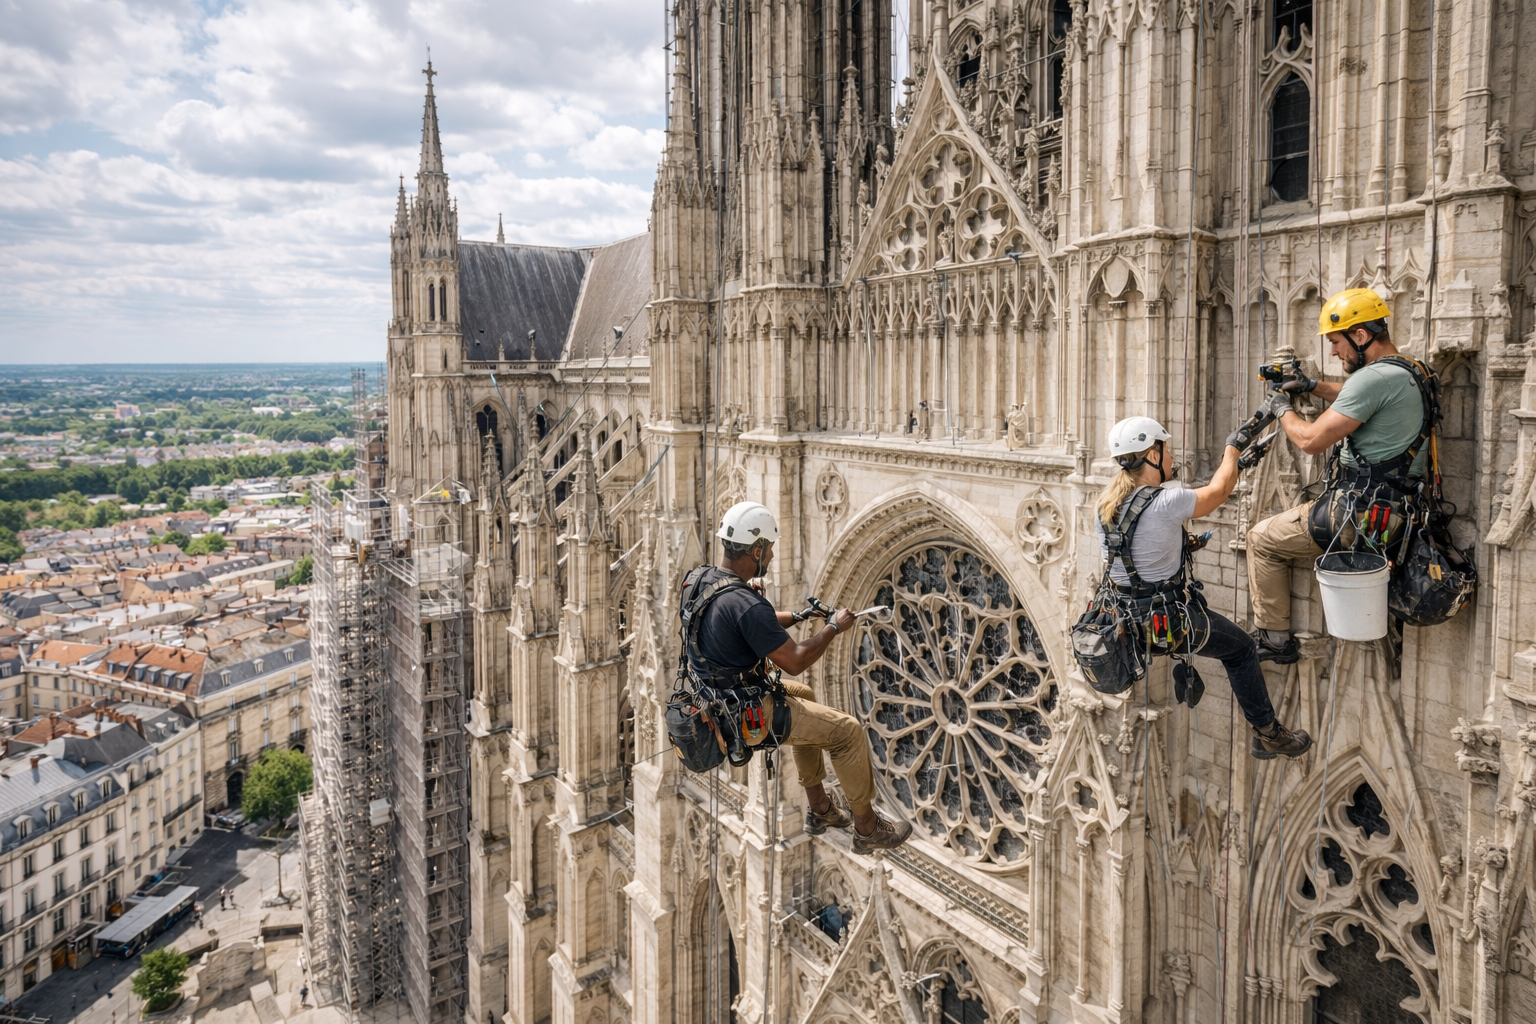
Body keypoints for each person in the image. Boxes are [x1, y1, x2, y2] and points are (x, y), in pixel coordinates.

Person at [681, 501, 912, 852]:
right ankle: (867, 829)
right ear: (756, 549)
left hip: (713, 698)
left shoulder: (702, 580)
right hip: (746, 713)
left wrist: (801, 615)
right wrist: (833, 628)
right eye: (770, 549)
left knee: (802, 695)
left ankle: (819, 808)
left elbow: (749, 622)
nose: (772, 556)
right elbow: (796, 660)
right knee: (847, 732)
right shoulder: (746, 604)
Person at [1096, 416, 1312, 758]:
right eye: (1167, 452)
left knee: (1229, 645)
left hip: (1129, 621)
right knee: (1240, 650)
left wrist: (1183, 543)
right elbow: (1218, 492)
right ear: (1153, 454)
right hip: (1168, 621)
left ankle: (1268, 731)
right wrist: (1232, 449)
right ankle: (1269, 734)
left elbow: (1133, 552)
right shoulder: (1167, 501)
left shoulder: (1106, 506)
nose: (1172, 459)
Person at [1246, 289, 1433, 661]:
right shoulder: (1413, 371)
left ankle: (1274, 639)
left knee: (1261, 539)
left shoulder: (1371, 379)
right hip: (1400, 510)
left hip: (1356, 514)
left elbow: (1311, 441)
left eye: (1336, 341)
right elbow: (1359, 395)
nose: (1333, 352)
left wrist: (1283, 409)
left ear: (1360, 335)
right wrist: (1312, 387)